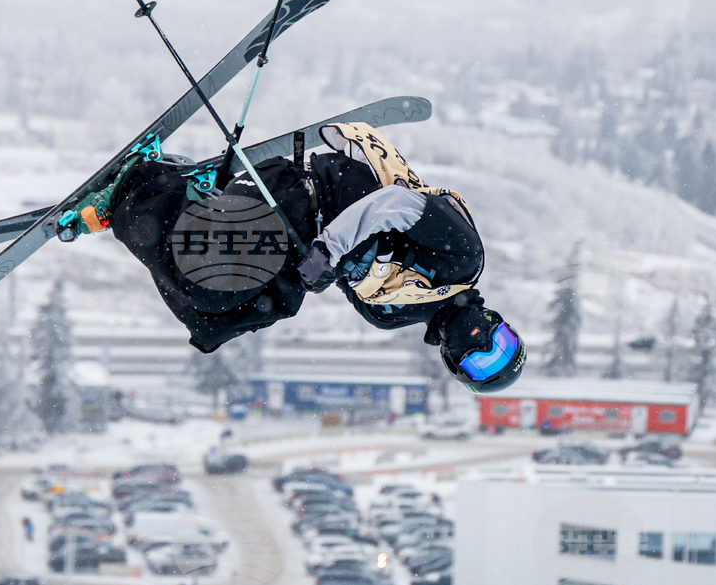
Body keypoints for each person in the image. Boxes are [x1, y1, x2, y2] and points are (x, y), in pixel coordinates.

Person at [61, 121, 525, 394]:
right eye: (498, 340)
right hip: (306, 193)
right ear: (496, 318)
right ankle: (139, 185)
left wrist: (317, 271)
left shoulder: (389, 315)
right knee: (212, 279)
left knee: (214, 319)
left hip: (296, 235)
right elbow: (397, 206)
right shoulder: (464, 259)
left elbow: (343, 273)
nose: (482, 344)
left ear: (453, 361)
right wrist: (329, 249)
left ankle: (169, 201)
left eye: (481, 362)